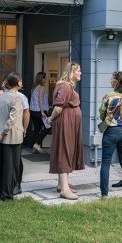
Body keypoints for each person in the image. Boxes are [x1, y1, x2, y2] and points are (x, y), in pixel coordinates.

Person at [48, 62, 85, 200]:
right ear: (71, 72)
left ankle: (62, 184)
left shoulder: (68, 86)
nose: (80, 73)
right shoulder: (64, 86)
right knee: (64, 150)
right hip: (65, 123)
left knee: (68, 150)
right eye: (78, 71)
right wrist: (50, 119)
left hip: (69, 122)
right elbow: (58, 107)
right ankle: (64, 189)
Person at [98, 71, 122, 198]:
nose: (110, 81)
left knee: (106, 162)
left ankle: (104, 195)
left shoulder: (109, 96)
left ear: (117, 82)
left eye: (111, 79)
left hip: (112, 130)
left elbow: (102, 114)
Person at [0, 73, 24, 201]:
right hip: (12, 137)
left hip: (0, 135)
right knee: (11, 167)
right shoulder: (16, 98)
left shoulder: (3, 95)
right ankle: (7, 195)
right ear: (17, 83)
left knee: (0, 166)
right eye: (20, 80)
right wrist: (2, 132)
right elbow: (12, 119)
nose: (21, 82)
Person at [29, 72, 50, 153]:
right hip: (40, 110)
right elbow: (40, 99)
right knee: (48, 127)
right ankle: (36, 144)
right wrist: (42, 112)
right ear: (42, 78)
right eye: (44, 78)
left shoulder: (34, 88)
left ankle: (34, 148)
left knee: (37, 128)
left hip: (33, 110)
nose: (46, 79)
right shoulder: (42, 87)